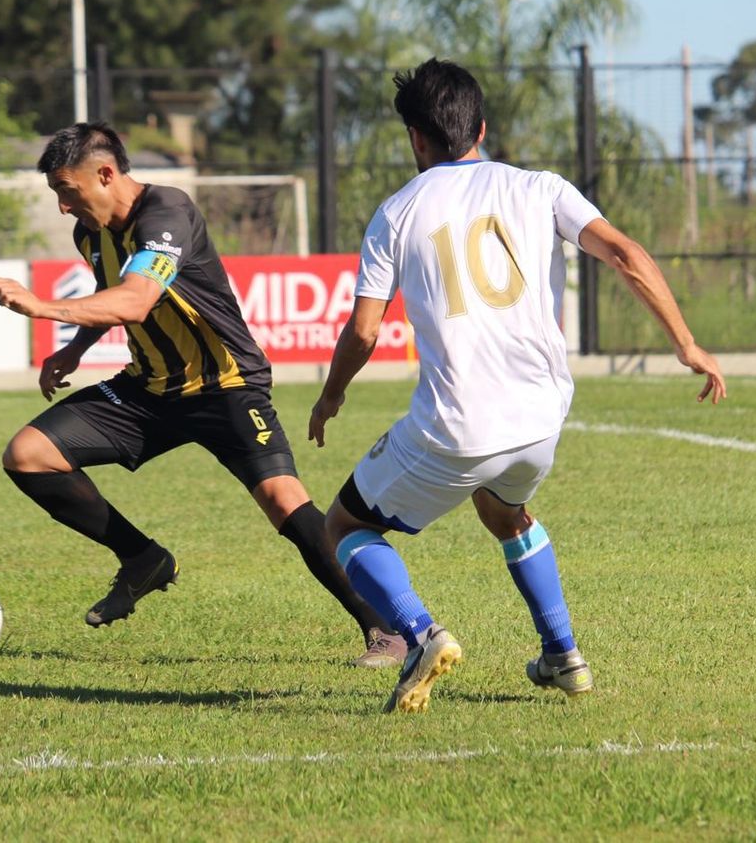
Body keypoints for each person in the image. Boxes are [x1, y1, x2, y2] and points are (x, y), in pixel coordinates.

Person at [308, 59, 727, 713]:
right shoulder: (542, 187)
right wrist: (686, 343)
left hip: (455, 423)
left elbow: (363, 332)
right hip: (541, 419)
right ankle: (562, 653)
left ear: (417, 138)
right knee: (503, 509)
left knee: (344, 526)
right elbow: (626, 253)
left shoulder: (396, 212)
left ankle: (420, 635)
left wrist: (331, 395)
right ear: (482, 127)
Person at [0, 122, 404, 667]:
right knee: (28, 455)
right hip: (149, 389)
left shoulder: (166, 214)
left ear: (105, 174)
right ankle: (142, 559)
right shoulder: (89, 233)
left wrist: (43, 309)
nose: (64, 206)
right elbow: (108, 292)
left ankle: (382, 628)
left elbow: (135, 301)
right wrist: (75, 350)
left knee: (283, 501)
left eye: (68, 189)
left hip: (225, 386)